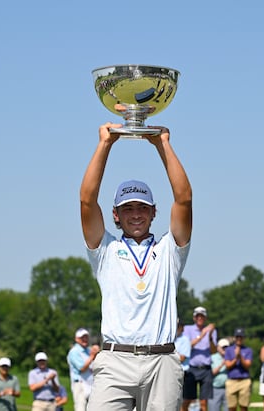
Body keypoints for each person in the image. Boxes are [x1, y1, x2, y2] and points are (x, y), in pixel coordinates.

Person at [80, 122, 193, 411]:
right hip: (115, 360)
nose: (136, 215)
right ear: (115, 215)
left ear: (154, 212)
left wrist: (162, 144)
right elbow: (87, 200)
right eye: (127, 208)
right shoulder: (106, 249)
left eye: (142, 207)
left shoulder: (169, 250)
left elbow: (184, 199)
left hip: (162, 360)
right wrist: (105, 144)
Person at [183, 306, 218, 411]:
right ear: (194, 318)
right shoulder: (187, 329)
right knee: (187, 399)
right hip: (192, 368)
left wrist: (210, 336)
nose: (200, 318)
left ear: (205, 318)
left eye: (202, 316)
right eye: (197, 316)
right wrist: (201, 336)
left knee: (204, 401)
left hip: (206, 369)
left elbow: (213, 351)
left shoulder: (212, 331)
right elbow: (187, 346)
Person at [66, 328, 99, 411]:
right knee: (81, 408)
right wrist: (92, 356)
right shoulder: (74, 352)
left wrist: (97, 354)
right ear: (76, 339)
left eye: (86, 337)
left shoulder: (88, 350)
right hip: (80, 384)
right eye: (82, 338)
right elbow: (82, 368)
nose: (84, 339)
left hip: (91, 384)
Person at [224, 328, 253, 411]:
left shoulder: (248, 350)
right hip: (231, 381)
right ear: (234, 338)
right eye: (237, 337)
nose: (239, 339)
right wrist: (236, 358)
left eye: (241, 337)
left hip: (244, 381)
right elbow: (228, 365)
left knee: (243, 407)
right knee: (232, 407)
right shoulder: (229, 350)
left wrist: (240, 356)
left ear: (244, 338)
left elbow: (247, 365)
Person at [208, 339, 229, 411]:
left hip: (228, 389)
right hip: (215, 388)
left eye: (226, 347)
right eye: (223, 347)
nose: (225, 349)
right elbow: (211, 373)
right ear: (218, 347)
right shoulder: (212, 358)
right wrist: (222, 364)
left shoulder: (231, 357)